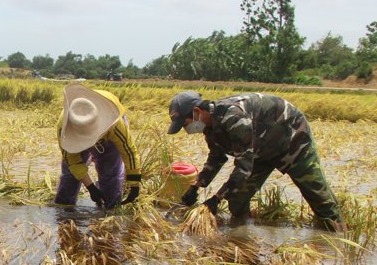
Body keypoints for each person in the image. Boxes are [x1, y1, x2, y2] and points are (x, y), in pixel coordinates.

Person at [168, 91, 342, 230]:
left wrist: (216, 198)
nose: (186, 129)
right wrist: (196, 187)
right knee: (237, 201)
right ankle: (244, 234)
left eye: (185, 124)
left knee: (318, 197)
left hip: (291, 139)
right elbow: (216, 158)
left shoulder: (233, 118)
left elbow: (243, 169)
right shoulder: (210, 127)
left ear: (197, 112)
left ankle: (340, 237)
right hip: (259, 150)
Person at [55, 83, 141, 209]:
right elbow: (73, 162)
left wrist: (134, 184)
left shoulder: (114, 123)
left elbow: (128, 151)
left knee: (110, 172)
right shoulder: (65, 128)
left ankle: (111, 208)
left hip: (108, 131)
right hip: (77, 131)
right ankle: (65, 209)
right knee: (70, 175)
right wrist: (91, 188)